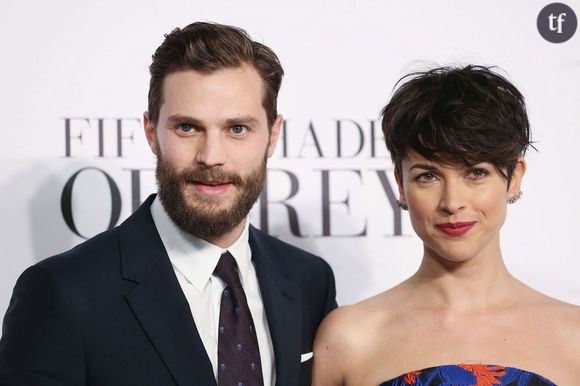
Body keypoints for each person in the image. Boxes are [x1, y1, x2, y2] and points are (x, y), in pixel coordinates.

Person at [0, 22, 336, 386]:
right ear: (151, 133)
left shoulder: (309, 282)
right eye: (187, 128)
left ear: (272, 136)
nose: (211, 157)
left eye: (237, 128)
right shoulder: (63, 293)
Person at [312, 65, 580, 385]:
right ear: (401, 185)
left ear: (514, 177)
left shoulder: (573, 338)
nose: (452, 202)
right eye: (428, 176)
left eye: (475, 173)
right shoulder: (350, 337)